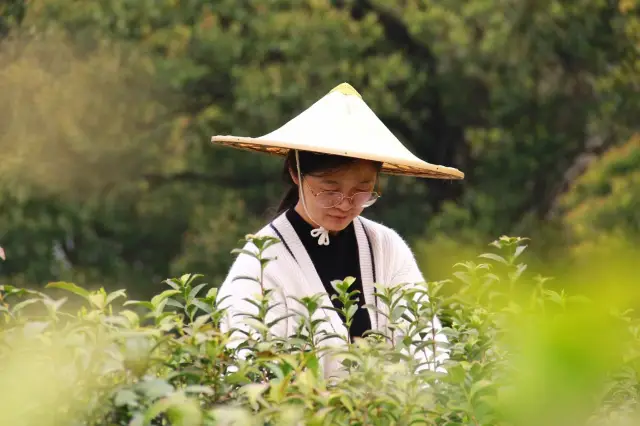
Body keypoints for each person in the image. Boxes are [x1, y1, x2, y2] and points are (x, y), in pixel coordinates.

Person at [211, 83, 464, 379]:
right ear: (296, 173)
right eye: (329, 190)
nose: (344, 205)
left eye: (362, 191)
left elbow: (428, 349)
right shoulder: (259, 264)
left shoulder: (386, 248)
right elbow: (246, 372)